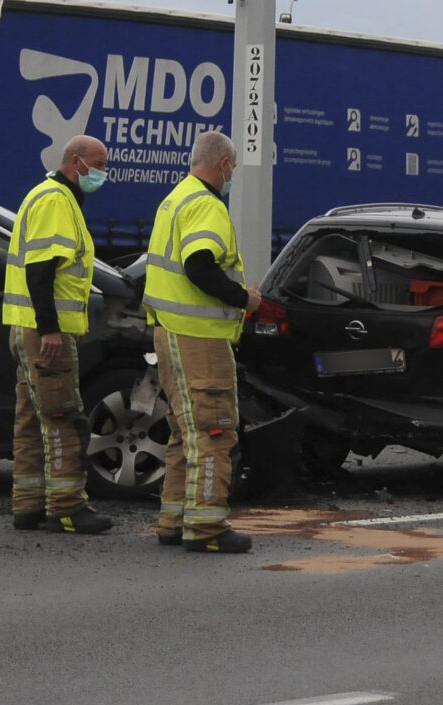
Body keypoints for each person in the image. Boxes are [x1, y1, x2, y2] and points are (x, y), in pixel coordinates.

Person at [144, 131, 261, 554]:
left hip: (171, 332)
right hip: (199, 338)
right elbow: (199, 266)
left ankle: (174, 520)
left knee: (183, 430)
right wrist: (244, 299)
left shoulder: (175, 199)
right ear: (225, 165)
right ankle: (207, 527)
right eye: (232, 168)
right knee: (214, 431)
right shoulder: (207, 206)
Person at [3, 135, 114, 535]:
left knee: (32, 420)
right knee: (62, 414)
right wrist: (50, 328)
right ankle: (67, 507)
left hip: (27, 329)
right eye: (99, 164)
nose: (103, 172)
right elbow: (40, 271)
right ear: (76, 162)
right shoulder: (55, 200)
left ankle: (28, 505)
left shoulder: (50, 196)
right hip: (45, 333)